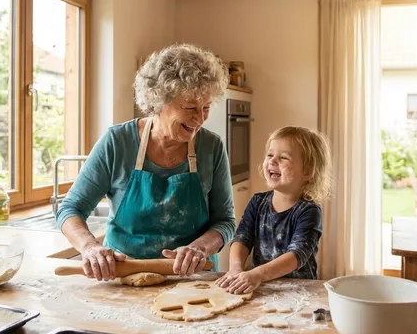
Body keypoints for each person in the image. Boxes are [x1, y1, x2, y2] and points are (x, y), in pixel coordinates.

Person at [57, 44, 236, 281]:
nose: (200, 118)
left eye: (206, 107)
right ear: (159, 101)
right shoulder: (117, 143)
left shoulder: (211, 147)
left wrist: (201, 248)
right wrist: (90, 247)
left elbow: (225, 221)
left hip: (192, 279)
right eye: (191, 107)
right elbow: (71, 209)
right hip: (122, 276)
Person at [216, 126, 332, 294]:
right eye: (270, 155)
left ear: (308, 172)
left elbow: (297, 255)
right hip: (261, 287)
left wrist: (257, 274)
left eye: (283, 157)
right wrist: (235, 268)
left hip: (298, 292)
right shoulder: (257, 202)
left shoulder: (309, 211)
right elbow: (241, 239)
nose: (272, 161)